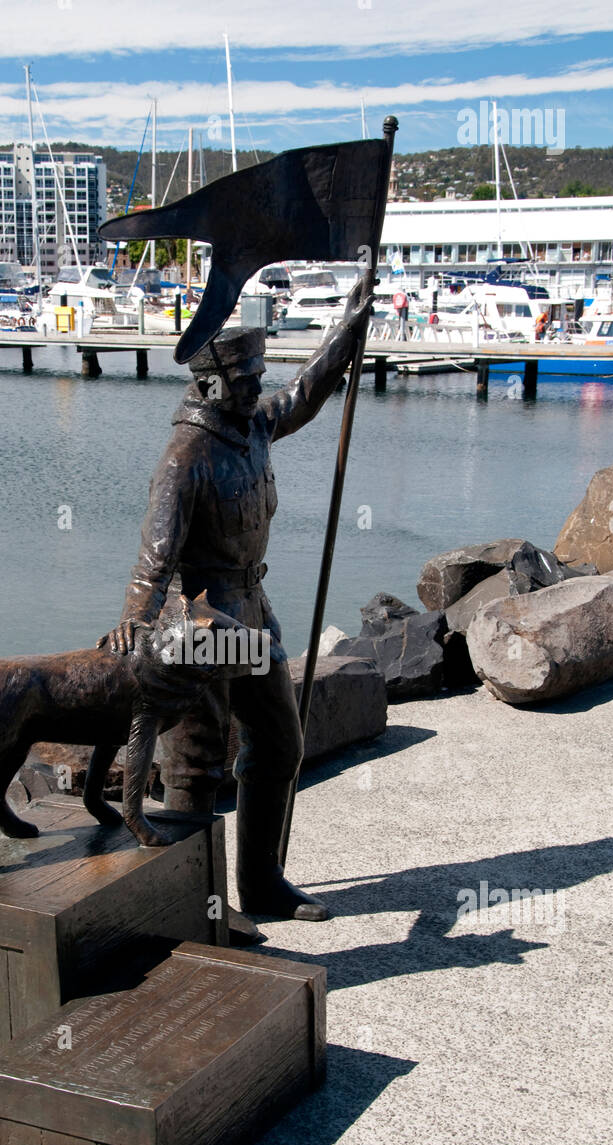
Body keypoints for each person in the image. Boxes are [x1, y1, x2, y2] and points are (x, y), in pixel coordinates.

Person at [99, 281, 373, 922]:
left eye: (258, 375)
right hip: (197, 622)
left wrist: (347, 329)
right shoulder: (184, 458)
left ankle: (262, 884)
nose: (258, 387)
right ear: (212, 384)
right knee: (195, 765)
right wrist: (132, 626)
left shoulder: (249, 425)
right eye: (248, 378)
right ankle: (199, 907)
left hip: (251, 609)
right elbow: (153, 557)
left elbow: (303, 395)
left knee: (279, 741)